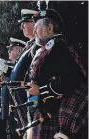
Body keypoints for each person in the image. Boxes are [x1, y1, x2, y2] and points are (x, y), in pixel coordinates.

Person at [26, 9, 87, 139]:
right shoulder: (46, 49)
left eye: (37, 27)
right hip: (44, 112)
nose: (34, 31)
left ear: (50, 28)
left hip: (57, 116)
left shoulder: (61, 48)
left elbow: (69, 81)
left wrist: (40, 91)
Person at [6, 9, 41, 139]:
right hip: (22, 98)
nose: (22, 27)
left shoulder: (38, 45)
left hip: (31, 97)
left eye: (25, 23)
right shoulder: (30, 45)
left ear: (34, 23)